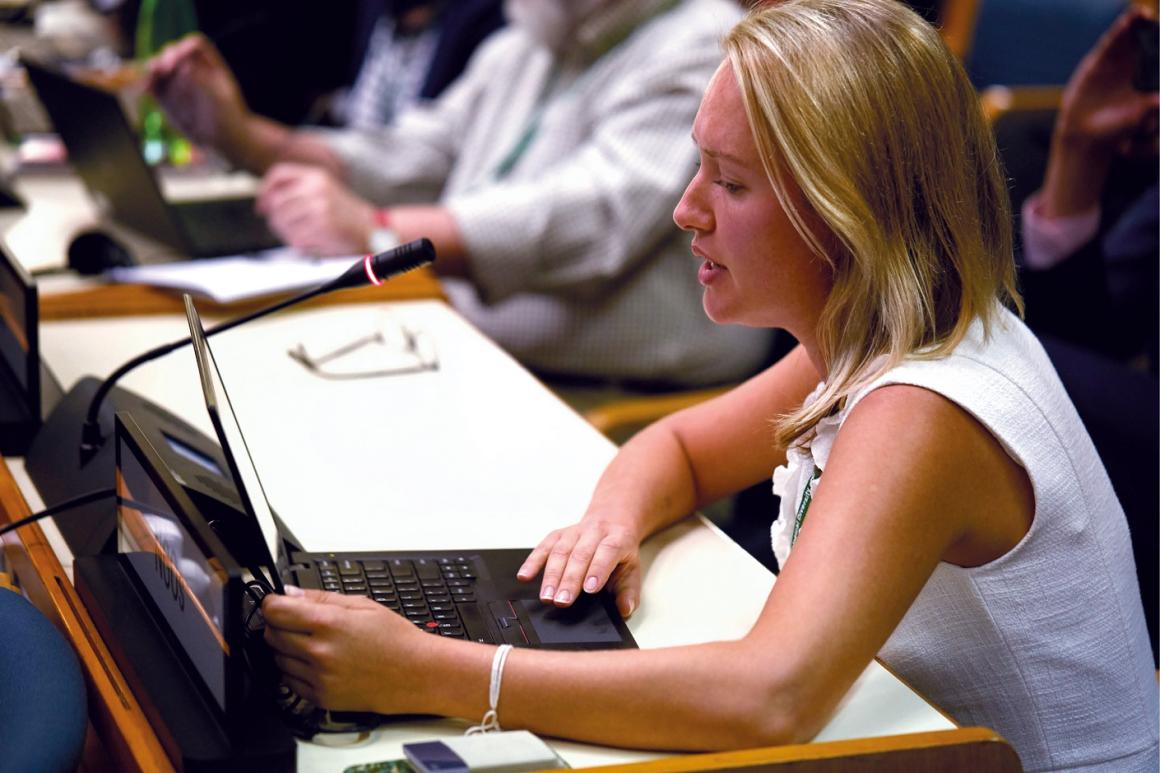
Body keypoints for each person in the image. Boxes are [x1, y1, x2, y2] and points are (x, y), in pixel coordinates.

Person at [259, 1, 1158, 768]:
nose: (687, 208)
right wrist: (612, 520)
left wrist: (429, 671)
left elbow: (769, 699)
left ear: (839, 211)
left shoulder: (922, 407)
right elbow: (681, 448)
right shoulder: (881, 326)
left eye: (729, 182)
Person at [148, 0, 772, 388]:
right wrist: (242, 136)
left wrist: (380, 233)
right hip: (478, 360)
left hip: (609, 396)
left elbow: (596, 215)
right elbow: (414, 154)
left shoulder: (704, 41)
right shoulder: (535, 36)